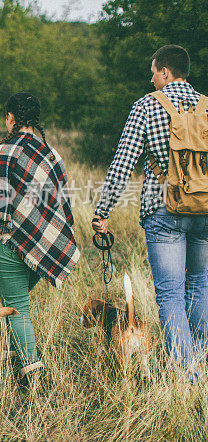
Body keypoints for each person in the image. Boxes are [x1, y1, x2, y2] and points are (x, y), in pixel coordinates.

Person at [92, 44, 208, 383]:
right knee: (200, 283)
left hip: (164, 209)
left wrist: (103, 211)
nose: (151, 77)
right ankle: (200, 359)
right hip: (206, 209)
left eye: (154, 71)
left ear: (166, 72)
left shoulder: (147, 105)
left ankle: (186, 374)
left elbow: (123, 163)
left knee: (170, 292)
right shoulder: (207, 106)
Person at [0, 92, 81, 386]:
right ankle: (16, 356)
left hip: (8, 243)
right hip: (40, 248)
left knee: (17, 307)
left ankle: (32, 375)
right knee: (20, 303)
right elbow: (60, 204)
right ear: (35, 120)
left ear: (10, 117)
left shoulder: (1, 152)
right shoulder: (52, 155)